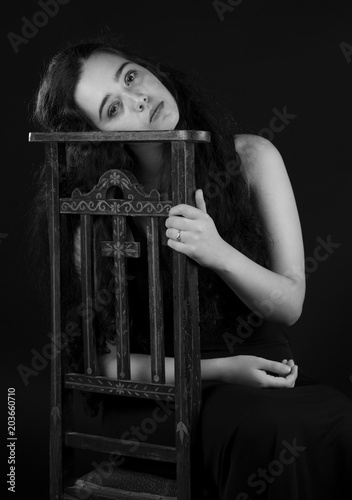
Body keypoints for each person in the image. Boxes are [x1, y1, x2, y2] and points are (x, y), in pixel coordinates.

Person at [31, 35, 352, 500]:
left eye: (131, 76)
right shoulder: (95, 216)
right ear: (93, 137)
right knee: (270, 430)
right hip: (165, 396)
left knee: (336, 420)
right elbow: (101, 362)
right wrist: (223, 370)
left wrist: (216, 250)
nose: (139, 98)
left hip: (270, 377)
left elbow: (290, 305)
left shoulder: (253, 158)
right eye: (113, 108)